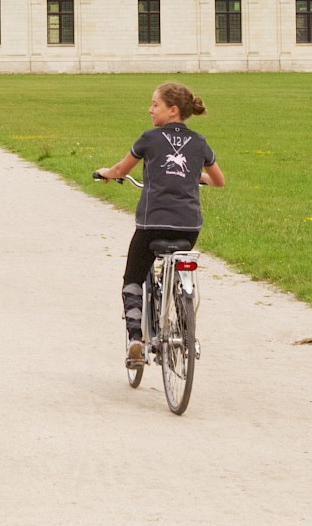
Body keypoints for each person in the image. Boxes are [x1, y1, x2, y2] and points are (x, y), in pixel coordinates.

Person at [92, 82, 226, 372]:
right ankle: (183, 319)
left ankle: (135, 340)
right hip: (189, 227)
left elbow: (121, 170)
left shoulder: (150, 138)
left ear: (172, 110)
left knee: (133, 276)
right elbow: (218, 180)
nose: (150, 109)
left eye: (155, 104)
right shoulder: (199, 142)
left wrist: (106, 174)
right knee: (177, 260)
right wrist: (195, 177)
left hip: (152, 223)